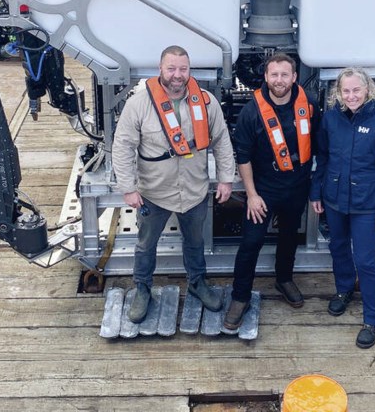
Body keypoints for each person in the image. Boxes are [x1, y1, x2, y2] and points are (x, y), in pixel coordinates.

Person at [112, 45, 237, 323]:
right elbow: (122, 147)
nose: (177, 75)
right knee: (146, 245)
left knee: (195, 242)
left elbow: (222, 142)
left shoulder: (206, 102)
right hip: (153, 194)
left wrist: (226, 179)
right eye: (171, 68)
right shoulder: (139, 104)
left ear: (189, 70)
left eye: (183, 69)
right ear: (160, 69)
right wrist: (129, 188)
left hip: (194, 191)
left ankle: (197, 282)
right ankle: (142, 288)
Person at [223, 53, 320, 330]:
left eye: (284, 75)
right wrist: (252, 195)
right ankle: (240, 297)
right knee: (251, 242)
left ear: (294, 77)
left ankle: (284, 279)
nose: (279, 80)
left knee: (290, 236)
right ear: (266, 77)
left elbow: (319, 144)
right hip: (264, 190)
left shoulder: (309, 105)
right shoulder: (252, 112)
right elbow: (243, 156)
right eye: (274, 75)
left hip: (297, 186)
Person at [309, 67, 375, 349]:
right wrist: (316, 191)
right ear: (338, 92)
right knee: (338, 248)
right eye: (345, 91)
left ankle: (373, 318)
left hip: (366, 205)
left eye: (356, 90)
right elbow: (321, 157)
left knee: (365, 260)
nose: (351, 96)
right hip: (335, 200)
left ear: (368, 90)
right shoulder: (331, 119)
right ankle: (344, 290)